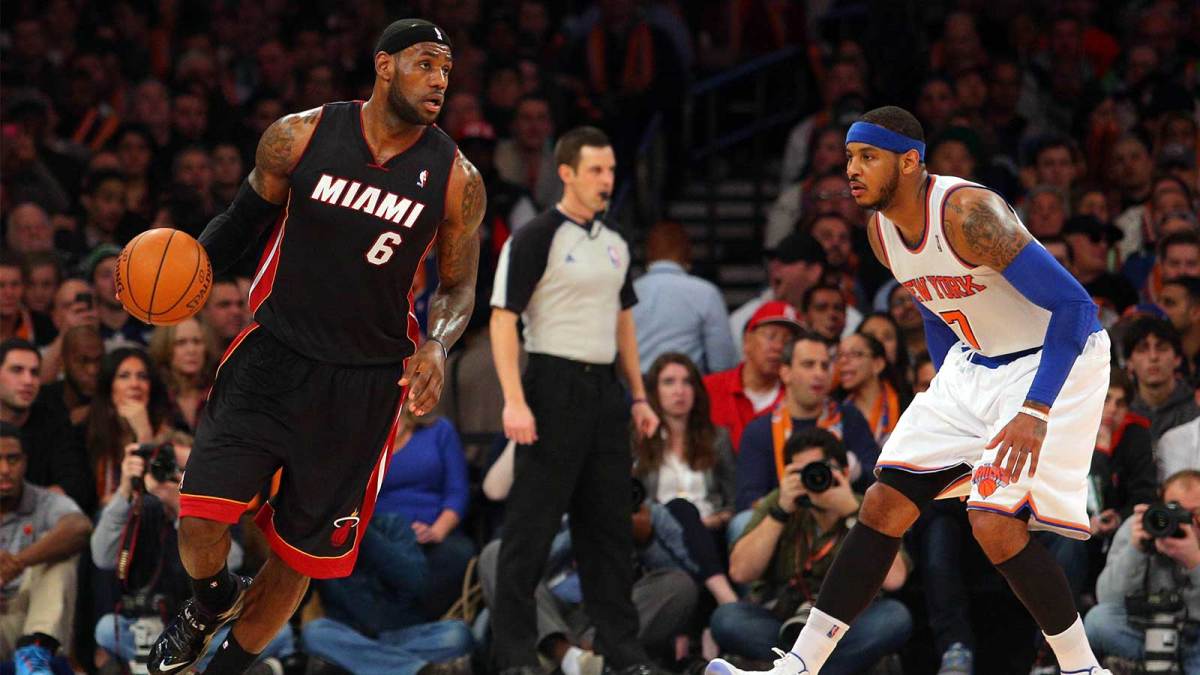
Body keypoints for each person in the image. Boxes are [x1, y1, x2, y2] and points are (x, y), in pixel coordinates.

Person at [709, 106, 1114, 675]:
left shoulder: (969, 214)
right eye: (849, 157)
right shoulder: (881, 233)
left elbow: (1075, 307)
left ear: (909, 162)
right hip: (981, 362)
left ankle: (1082, 670)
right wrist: (953, 381)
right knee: (881, 504)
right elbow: (933, 305)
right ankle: (798, 666)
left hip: (1057, 356)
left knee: (993, 524)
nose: (852, 169)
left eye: (867, 157)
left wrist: (1035, 409)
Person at [151, 18, 484, 675]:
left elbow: (459, 285)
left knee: (300, 555)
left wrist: (439, 346)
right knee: (198, 522)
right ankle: (209, 599)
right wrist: (183, 278)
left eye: (447, 68)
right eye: (425, 63)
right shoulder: (300, 135)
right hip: (273, 355)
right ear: (384, 65)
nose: (440, 79)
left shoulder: (454, 176)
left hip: (363, 384)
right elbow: (241, 223)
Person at [489, 125, 661, 675]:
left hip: (605, 392)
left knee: (608, 531)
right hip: (550, 386)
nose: (606, 181)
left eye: (610, 170)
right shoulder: (536, 236)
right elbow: (502, 319)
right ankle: (517, 656)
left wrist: (638, 395)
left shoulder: (614, 243)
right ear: (566, 173)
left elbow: (624, 320)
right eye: (595, 170)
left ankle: (623, 654)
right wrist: (513, 400)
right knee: (530, 532)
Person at [711, 429, 911, 672]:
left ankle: (791, 670)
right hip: (782, 621)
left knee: (894, 617)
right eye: (800, 471)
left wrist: (851, 512)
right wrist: (780, 512)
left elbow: (896, 579)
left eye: (820, 468)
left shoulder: (868, 506)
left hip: (846, 626)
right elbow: (741, 572)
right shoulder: (781, 502)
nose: (813, 477)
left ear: (845, 472)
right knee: (728, 618)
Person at [91, 443, 294, 674]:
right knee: (105, 628)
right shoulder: (139, 509)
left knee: (278, 632)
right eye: (165, 467)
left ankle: (173, 667)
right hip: (151, 627)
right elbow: (102, 556)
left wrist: (185, 509)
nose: (171, 476)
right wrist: (125, 491)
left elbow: (233, 560)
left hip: (208, 629)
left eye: (182, 469)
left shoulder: (218, 508)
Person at [301, 513, 475, 675]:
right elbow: (302, 599)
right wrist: (307, 548)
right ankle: (420, 669)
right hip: (353, 636)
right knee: (314, 633)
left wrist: (365, 535)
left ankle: (372, 665)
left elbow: (415, 583)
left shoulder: (393, 525)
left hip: (404, 635)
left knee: (458, 635)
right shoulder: (322, 542)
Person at [634, 352, 738, 605]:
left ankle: (688, 632)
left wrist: (719, 518)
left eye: (687, 382)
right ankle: (727, 599)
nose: (679, 391)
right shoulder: (637, 440)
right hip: (659, 538)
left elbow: (735, 498)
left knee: (693, 521)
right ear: (654, 391)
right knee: (681, 508)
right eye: (669, 382)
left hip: (711, 531)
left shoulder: (717, 438)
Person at [736, 331, 879, 508]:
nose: (819, 373)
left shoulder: (850, 417)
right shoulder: (759, 431)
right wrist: (782, 501)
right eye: (808, 365)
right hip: (784, 522)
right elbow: (748, 499)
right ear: (785, 372)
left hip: (840, 517)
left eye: (825, 366)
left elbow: (879, 479)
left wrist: (854, 470)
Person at [1084, 469, 1200, 674]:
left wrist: (1194, 562)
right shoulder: (1138, 527)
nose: (1185, 522)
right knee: (1098, 619)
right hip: (1146, 632)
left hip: (1196, 637)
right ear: (1161, 505)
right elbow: (1108, 599)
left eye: (1196, 514)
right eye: (1176, 510)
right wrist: (1135, 550)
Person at [0, 423, 92, 674]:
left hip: (35, 618)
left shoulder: (44, 501)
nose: (4, 470)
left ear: (25, 461)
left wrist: (18, 562)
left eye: (12, 459)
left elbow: (80, 527)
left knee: (57, 559)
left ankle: (33, 653)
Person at [374, 409, 472, 619]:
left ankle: (415, 628)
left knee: (457, 554)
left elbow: (457, 491)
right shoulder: (362, 437)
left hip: (434, 536)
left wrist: (437, 530)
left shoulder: (439, 430)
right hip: (383, 537)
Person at [0, 339, 94, 514]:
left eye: (34, 373)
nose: (28, 380)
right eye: (17, 370)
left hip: (39, 527)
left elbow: (77, 485)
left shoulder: (55, 422)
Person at [633, 222, 737, 374]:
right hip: (686, 390)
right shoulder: (706, 293)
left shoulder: (628, 292)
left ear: (648, 254)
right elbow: (722, 363)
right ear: (689, 254)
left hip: (636, 391)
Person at [706, 302, 803, 450]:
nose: (778, 347)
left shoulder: (798, 398)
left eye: (788, 341)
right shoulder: (708, 389)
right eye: (771, 336)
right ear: (747, 341)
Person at [86, 347, 173, 507]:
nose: (135, 384)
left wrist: (144, 433)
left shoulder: (170, 437)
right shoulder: (87, 433)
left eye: (142, 377)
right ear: (109, 388)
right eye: (124, 376)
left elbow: (156, 497)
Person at [1123, 317, 1199, 442]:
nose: (1153, 357)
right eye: (1142, 349)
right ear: (1129, 362)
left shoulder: (1196, 407)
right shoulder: (1119, 409)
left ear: (1177, 359)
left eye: (1162, 348)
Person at [835, 332, 908, 446]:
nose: (843, 361)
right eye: (839, 355)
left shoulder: (907, 408)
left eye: (855, 354)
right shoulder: (833, 410)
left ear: (878, 364)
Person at [147, 317, 219, 433]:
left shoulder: (219, 394)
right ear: (165, 348)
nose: (191, 350)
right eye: (181, 343)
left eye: (197, 341)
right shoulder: (153, 396)